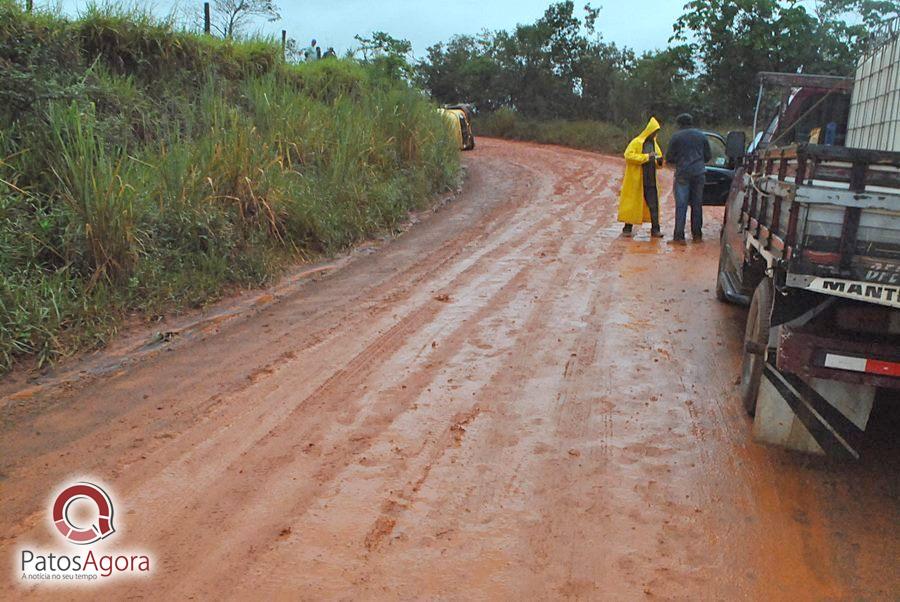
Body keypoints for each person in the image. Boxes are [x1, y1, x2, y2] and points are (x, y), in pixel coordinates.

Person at [665, 113, 711, 243]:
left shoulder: (676, 136)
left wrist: (679, 160)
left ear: (679, 124)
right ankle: (697, 235)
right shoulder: (702, 136)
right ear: (691, 122)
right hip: (699, 173)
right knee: (697, 204)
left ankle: (679, 237)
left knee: (681, 205)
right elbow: (708, 156)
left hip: (683, 173)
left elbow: (669, 157)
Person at [617, 117, 664, 238]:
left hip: (651, 180)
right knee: (632, 204)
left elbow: (659, 160)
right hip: (636, 180)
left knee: (653, 205)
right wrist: (647, 157)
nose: (655, 134)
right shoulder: (636, 142)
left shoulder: (654, 144)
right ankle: (627, 228)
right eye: (654, 131)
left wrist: (659, 161)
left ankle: (655, 229)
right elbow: (628, 156)